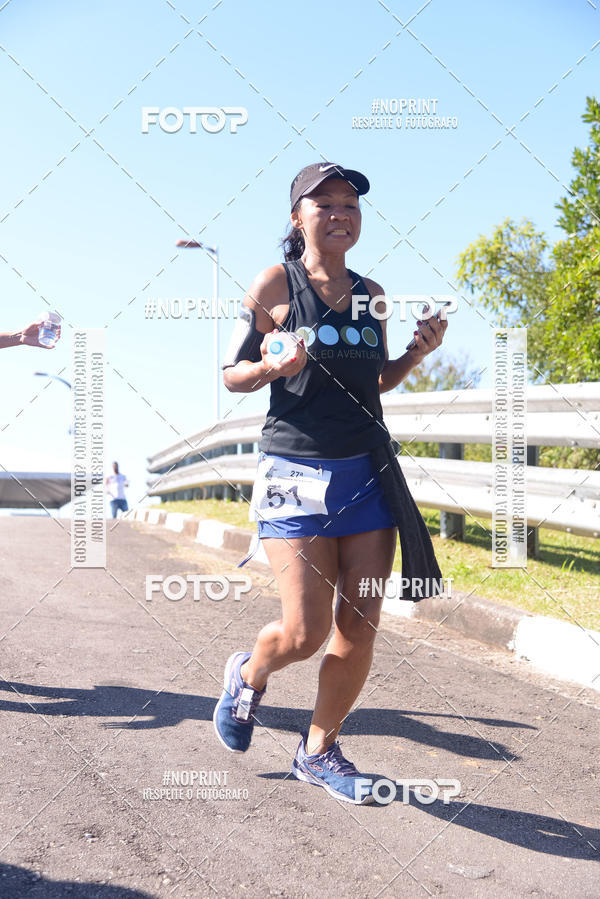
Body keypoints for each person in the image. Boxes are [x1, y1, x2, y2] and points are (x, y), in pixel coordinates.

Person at [213, 162, 447, 804]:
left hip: (366, 474)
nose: (341, 213)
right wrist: (266, 364)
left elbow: (376, 380)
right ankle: (249, 675)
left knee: (361, 620)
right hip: (294, 471)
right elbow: (229, 374)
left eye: (350, 204)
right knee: (304, 633)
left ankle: (319, 750)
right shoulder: (274, 282)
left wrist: (417, 354)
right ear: (298, 218)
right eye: (325, 204)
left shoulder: (373, 291)